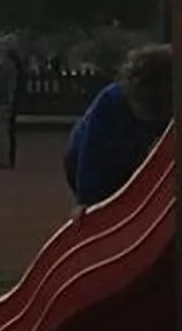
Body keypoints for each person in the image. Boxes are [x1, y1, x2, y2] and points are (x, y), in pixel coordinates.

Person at [64, 43, 174, 212]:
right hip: (81, 159)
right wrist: (85, 201)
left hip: (129, 157)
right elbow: (90, 151)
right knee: (103, 192)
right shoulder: (110, 102)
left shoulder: (163, 103)